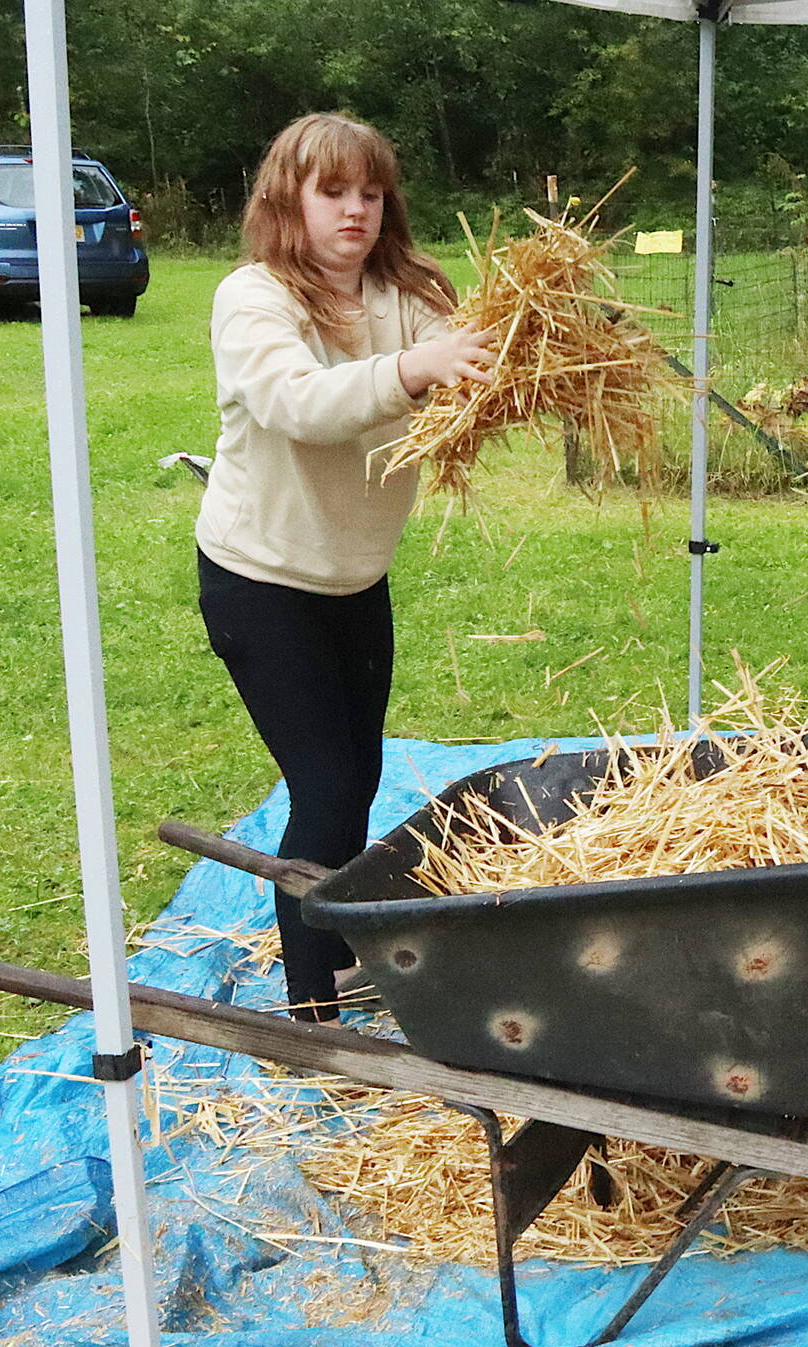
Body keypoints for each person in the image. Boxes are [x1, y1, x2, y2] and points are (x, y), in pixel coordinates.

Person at [195, 113, 495, 1021]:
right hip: (261, 581)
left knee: (358, 776)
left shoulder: (407, 294)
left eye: (371, 192)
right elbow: (300, 403)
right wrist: (415, 369)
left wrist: (509, 364)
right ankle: (311, 1004)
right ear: (289, 198)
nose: (356, 210)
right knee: (324, 788)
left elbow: (464, 366)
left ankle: (331, 947)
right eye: (334, 192)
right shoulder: (254, 297)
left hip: (355, 580)